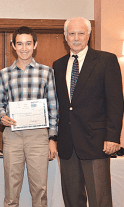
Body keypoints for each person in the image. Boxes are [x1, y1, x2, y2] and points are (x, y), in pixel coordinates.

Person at [53, 17, 123, 207]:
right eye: (72, 33)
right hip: (68, 145)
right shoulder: (58, 65)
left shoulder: (106, 60)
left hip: (97, 142)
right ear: (65, 36)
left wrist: (113, 136)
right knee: (72, 200)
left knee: (100, 199)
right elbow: (60, 105)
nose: (76, 38)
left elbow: (115, 102)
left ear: (89, 35)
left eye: (81, 33)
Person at [0, 26, 58, 207]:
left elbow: (53, 107)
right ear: (13, 46)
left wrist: (52, 138)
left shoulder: (47, 72)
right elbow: (0, 104)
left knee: (40, 190)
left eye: (28, 43)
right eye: (20, 44)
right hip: (12, 134)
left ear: (35, 45)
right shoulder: (4, 73)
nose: (24, 48)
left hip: (38, 136)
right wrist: (2, 116)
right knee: (11, 190)